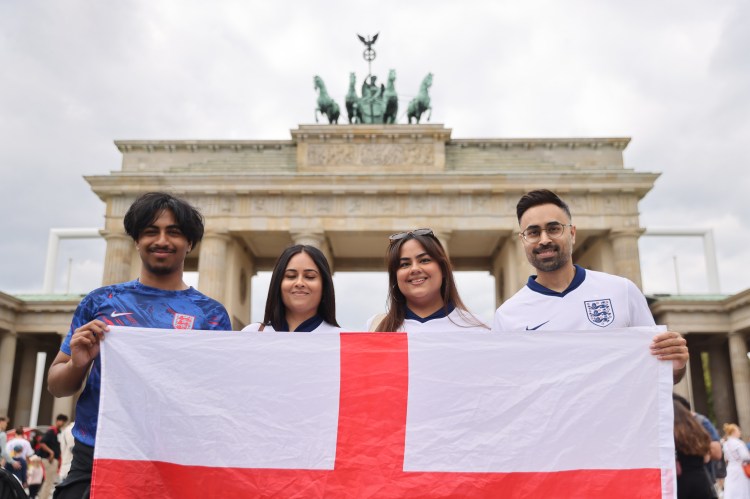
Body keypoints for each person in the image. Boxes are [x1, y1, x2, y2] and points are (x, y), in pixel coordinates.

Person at [47, 192, 232, 498]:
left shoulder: (210, 315)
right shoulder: (99, 302)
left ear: (189, 243)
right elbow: (57, 386)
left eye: (173, 232)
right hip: (98, 453)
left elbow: (217, 397)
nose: (162, 240)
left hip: (174, 460)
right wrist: (79, 363)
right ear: (136, 240)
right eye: (150, 231)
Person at [492, 189, 689, 383]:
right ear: (523, 240)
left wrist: (676, 365)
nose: (544, 240)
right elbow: (507, 388)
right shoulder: (507, 316)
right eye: (533, 232)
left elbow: (658, 372)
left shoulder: (622, 291)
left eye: (553, 229)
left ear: (572, 233)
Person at [370, 228, 487, 332]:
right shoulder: (375, 328)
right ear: (395, 276)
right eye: (405, 264)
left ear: (443, 269)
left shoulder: (477, 329)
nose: (415, 269)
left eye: (424, 260)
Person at [242, 245, 341, 333]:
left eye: (310, 276)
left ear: (324, 285)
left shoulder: (343, 339)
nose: (299, 283)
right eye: (291, 276)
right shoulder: (252, 334)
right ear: (278, 283)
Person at [673, 400, 716, 499]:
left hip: (681, 484)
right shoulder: (697, 430)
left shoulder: (671, 434)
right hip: (702, 482)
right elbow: (706, 458)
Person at [35, 414, 68, 499]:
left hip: (54, 459)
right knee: (49, 481)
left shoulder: (58, 432)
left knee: (49, 481)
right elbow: (42, 442)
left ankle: (43, 496)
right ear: (57, 420)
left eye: (64, 422)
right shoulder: (51, 431)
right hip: (49, 458)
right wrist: (51, 452)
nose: (63, 423)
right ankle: (43, 497)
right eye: (62, 421)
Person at [722, 424, 750, 499]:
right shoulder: (738, 443)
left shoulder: (725, 444)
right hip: (740, 468)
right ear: (734, 432)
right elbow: (745, 456)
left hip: (730, 468)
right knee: (742, 488)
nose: (739, 432)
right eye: (738, 430)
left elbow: (726, 458)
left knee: (731, 488)